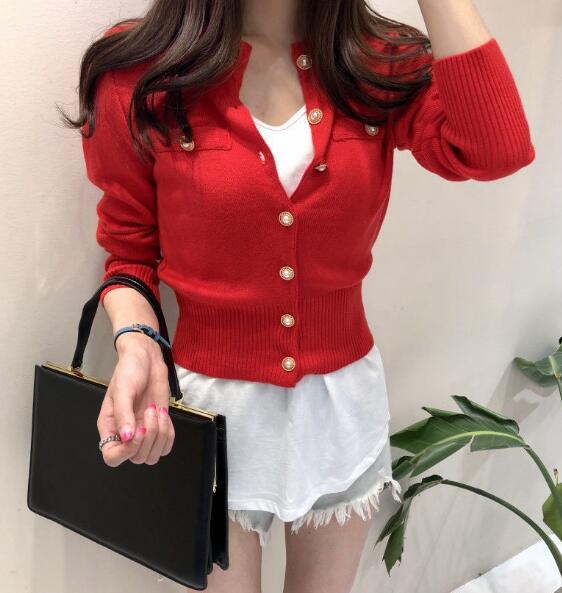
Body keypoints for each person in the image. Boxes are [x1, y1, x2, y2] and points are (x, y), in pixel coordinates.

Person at [61, 0, 535, 591]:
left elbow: (496, 148)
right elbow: (130, 255)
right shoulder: (140, 73)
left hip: (341, 408)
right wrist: (137, 342)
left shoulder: (375, 64)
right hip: (207, 410)